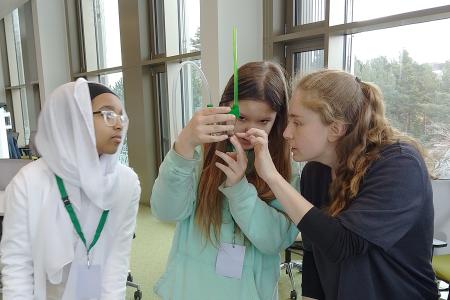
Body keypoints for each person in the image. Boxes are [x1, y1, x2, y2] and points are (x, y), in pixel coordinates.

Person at [242, 69, 439, 300]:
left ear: (335, 128)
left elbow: (343, 244)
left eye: (297, 122)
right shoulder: (315, 172)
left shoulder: (400, 164)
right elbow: (314, 248)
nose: (286, 133)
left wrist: (272, 177)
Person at [151, 61, 299, 300]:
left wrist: (240, 188)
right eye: (241, 117)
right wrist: (184, 146)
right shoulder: (201, 152)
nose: (249, 130)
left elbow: (275, 240)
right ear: (224, 108)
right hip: (190, 289)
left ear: (277, 119)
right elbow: (166, 212)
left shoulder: (287, 167)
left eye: (263, 121)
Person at [0, 78, 141, 299]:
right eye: (107, 114)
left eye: (121, 115)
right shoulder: (29, 182)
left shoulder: (125, 182)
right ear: (77, 118)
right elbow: (17, 265)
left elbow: (117, 260)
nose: (119, 124)